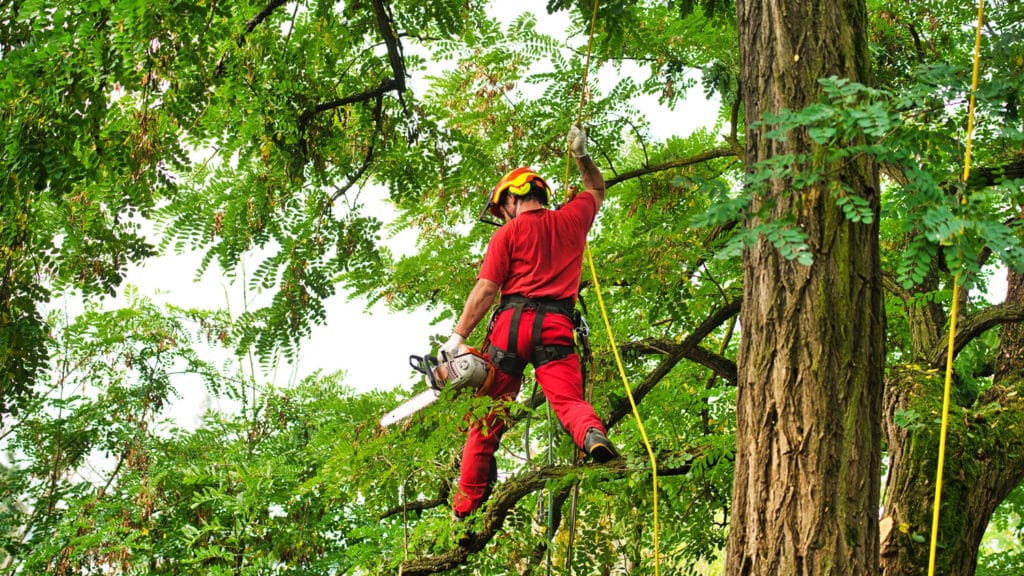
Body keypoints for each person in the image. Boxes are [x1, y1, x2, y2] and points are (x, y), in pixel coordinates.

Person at [439, 124, 619, 520]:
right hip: (555, 328)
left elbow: (486, 291)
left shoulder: (507, 235)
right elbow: (597, 190)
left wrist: (457, 339)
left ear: (512, 199)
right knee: (569, 402)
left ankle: (464, 511)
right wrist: (581, 156)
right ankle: (592, 435)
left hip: (510, 329)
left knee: (486, 421)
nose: (502, 215)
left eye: (501, 207)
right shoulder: (572, 220)